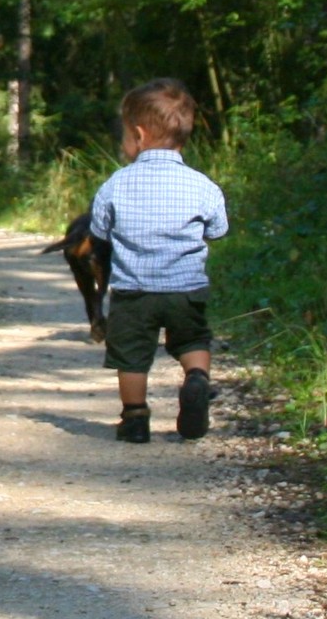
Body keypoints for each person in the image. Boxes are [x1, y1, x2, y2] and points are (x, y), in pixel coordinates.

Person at [88, 78, 229, 443]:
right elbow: (218, 229)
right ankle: (197, 379)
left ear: (138, 135)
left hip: (134, 291)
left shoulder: (116, 184)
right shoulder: (202, 185)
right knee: (194, 339)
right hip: (186, 290)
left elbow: (99, 231)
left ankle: (135, 417)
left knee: (131, 356)